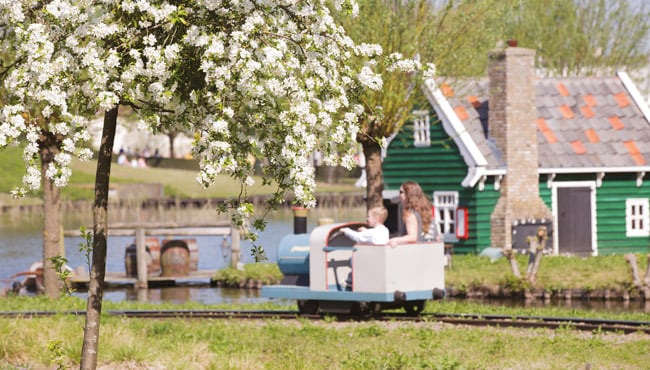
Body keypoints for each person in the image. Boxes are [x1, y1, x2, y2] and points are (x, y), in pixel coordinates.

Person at [389, 181, 440, 246]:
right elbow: (437, 237)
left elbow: (412, 237)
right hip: (431, 250)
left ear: (409, 194)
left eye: (401, 192)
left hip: (416, 252)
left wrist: (395, 240)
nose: (399, 195)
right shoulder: (427, 211)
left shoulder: (410, 214)